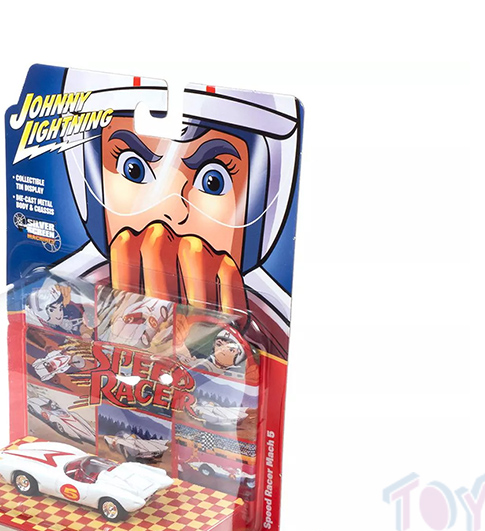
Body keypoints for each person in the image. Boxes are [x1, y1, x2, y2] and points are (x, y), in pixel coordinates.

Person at [53, 71, 301, 359]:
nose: (168, 212)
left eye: (213, 182)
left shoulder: (275, 328)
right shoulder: (63, 293)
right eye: (133, 169)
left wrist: (208, 349)